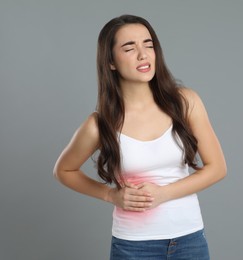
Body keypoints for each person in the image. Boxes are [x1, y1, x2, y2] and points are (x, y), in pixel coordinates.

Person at [53, 14, 226, 260]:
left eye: (148, 44)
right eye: (129, 48)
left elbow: (217, 168)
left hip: (190, 239)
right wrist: (110, 195)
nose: (143, 55)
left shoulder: (185, 102)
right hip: (134, 246)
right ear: (111, 61)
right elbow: (64, 171)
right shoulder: (100, 123)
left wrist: (164, 194)